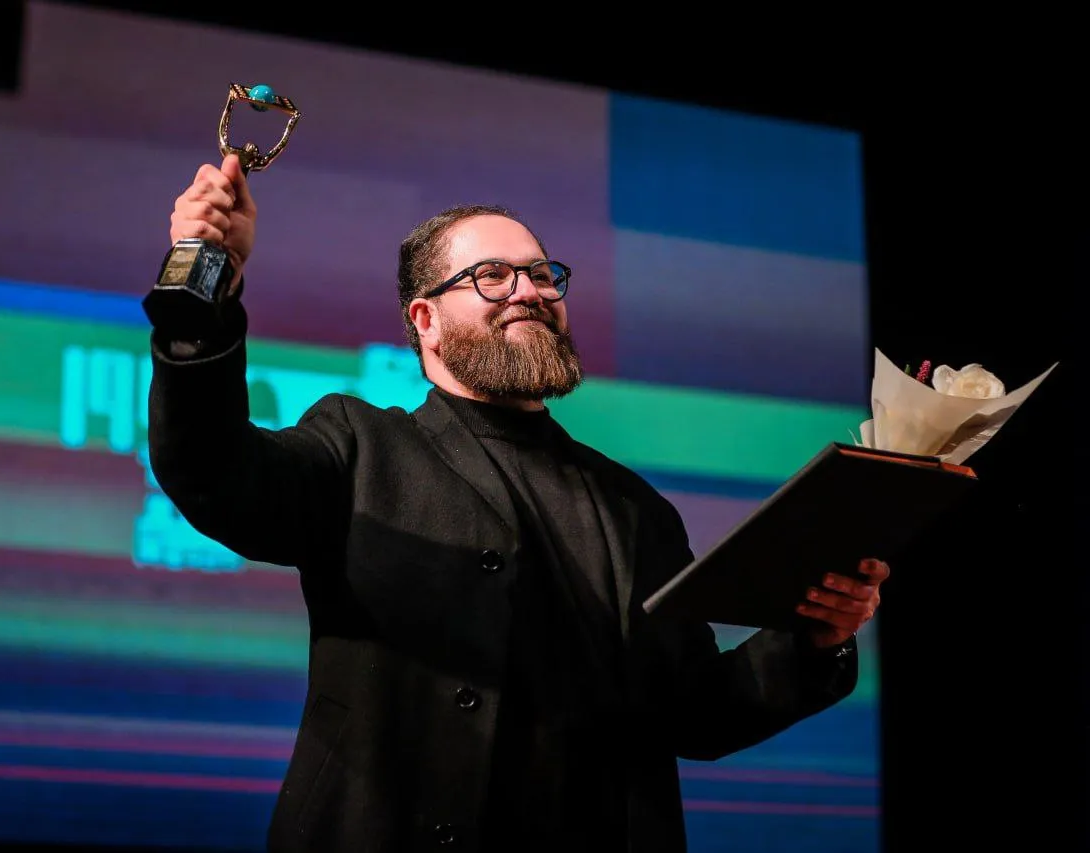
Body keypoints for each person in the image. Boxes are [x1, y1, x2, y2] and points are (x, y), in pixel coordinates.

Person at [145, 153, 889, 853]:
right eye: (492, 276)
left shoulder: (634, 507)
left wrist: (813, 640)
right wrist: (205, 278)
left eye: (541, 274)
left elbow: (695, 712)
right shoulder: (362, 446)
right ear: (425, 321)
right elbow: (212, 469)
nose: (529, 290)